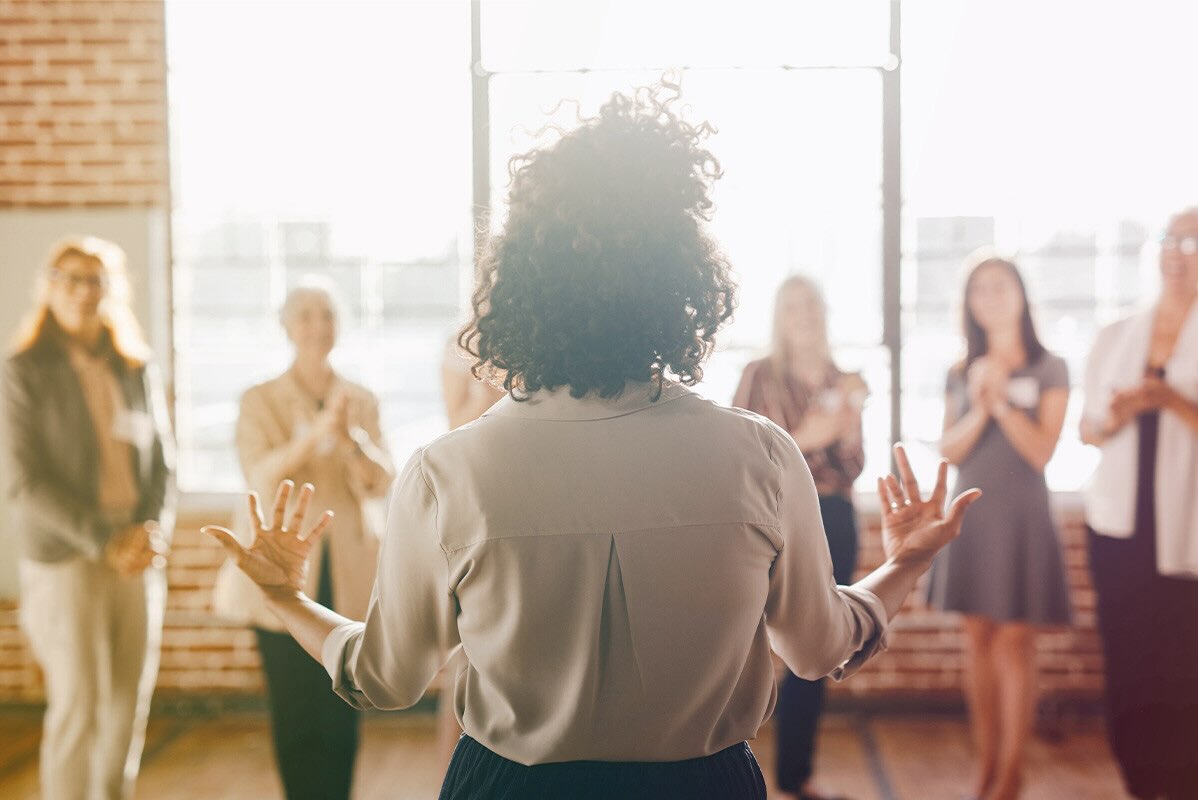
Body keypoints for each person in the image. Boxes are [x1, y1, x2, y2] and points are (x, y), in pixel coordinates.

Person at [203, 82, 980, 800]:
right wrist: (907, 560)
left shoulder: (448, 472)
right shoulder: (761, 456)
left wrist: (285, 596)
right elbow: (819, 649)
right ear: (684, 288)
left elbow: (385, 676)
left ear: (514, 289)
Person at [2, 236, 175, 800]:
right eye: (69, 278)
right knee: (79, 705)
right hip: (66, 557)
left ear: (110, 290)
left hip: (136, 555)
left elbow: (162, 466)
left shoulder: (134, 366)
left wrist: (149, 533)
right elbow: (27, 483)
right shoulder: (25, 369)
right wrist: (106, 541)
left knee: (127, 705)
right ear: (49, 288)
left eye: (94, 279)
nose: (82, 291)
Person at [212, 281, 394, 800]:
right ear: (287, 327)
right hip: (282, 568)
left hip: (349, 571)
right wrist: (314, 435)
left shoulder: (361, 399)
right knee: (294, 708)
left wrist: (353, 440)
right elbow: (260, 475)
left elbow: (383, 482)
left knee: (344, 701)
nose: (318, 326)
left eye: (328, 315)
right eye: (307, 315)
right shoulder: (260, 399)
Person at [929, 252, 1072, 800]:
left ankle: (1012, 775)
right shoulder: (959, 370)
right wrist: (982, 406)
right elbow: (949, 447)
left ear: (1020, 293)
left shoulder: (1049, 366)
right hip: (974, 512)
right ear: (968, 304)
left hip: (1024, 516)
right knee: (978, 639)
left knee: (1016, 643)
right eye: (978, 289)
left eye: (1000, 285)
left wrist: (1003, 401)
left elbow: (1041, 452)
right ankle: (984, 770)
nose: (990, 296)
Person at [1079, 207, 1198, 800]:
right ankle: (1137, 781)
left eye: (1192, 240)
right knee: (1128, 666)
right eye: (1168, 238)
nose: (1177, 250)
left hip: (1188, 536)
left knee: (1183, 671)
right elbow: (1088, 429)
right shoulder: (1117, 334)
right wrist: (1120, 413)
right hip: (1120, 532)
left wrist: (1174, 401)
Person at [733, 275, 866, 800]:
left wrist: (841, 429)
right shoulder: (758, 375)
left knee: (818, 645)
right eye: (792, 306)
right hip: (769, 517)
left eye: (811, 304)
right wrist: (814, 435)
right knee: (745, 643)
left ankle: (795, 775)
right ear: (777, 316)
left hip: (833, 516)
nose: (804, 314)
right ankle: (728, 770)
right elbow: (744, 454)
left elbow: (853, 464)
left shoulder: (845, 379)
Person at [431, 337, 506, 767]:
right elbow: (454, 427)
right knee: (466, 648)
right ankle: (454, 774)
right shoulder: (465, 342)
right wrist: (487, 389)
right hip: (477, 493)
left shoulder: (556, 325)